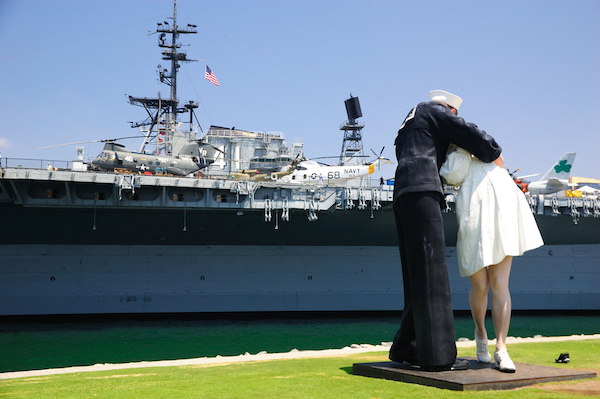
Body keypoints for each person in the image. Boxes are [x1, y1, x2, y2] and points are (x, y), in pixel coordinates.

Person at [389, 90, 502, 371]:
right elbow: (467, 132)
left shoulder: (407, 123)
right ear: (449, 109)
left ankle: (408, 347)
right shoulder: (433, 111)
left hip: (403, 192)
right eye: (454, 113)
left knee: (415, 276)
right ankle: (439, 357)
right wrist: (494, 150)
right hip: (424, 189)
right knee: (433, 275)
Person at [441, 145, 544, 372]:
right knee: (479, 285)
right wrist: (462, 151)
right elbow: (451, 176)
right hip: (475, 213)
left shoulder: (486, 145)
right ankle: (480, 331)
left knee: (500, 284)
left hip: (504, 206)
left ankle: (501, 347)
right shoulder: (460, 151)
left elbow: (500, 160)